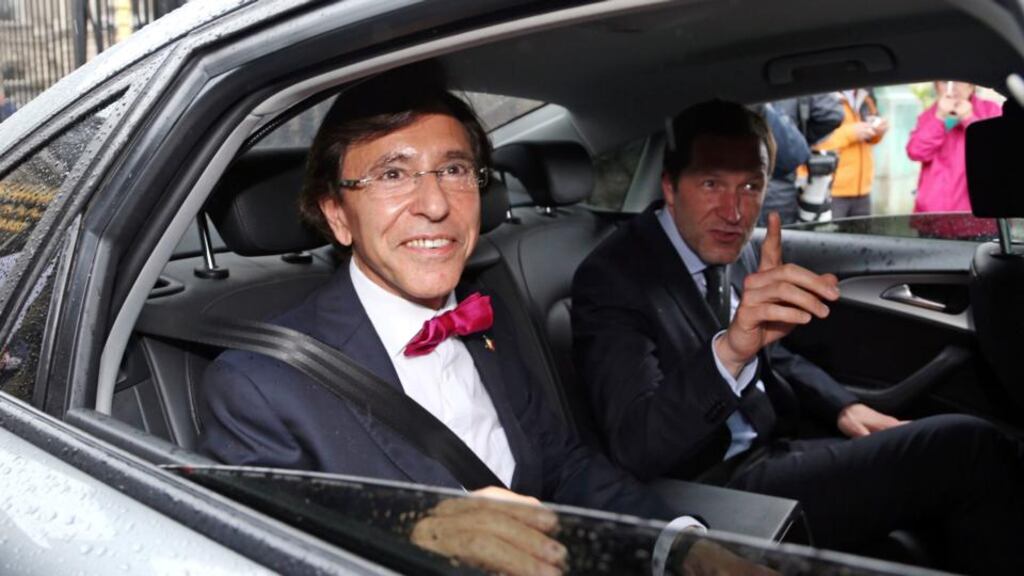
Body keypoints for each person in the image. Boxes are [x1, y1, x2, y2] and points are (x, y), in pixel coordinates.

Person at [197, 67, 769, 576]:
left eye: (454, 169)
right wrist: (415, 536)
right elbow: (267, 552)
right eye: (393, 176)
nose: (436, 204)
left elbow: (566, 467)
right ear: (337, 215)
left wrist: (681, 545)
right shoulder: (261, 387)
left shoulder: (486, 322)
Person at [571, 99, 1024, 574]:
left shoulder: (731, 248)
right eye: (711, 184)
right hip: (711, 489)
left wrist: (843, 406)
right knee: (969, 447)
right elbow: (636, 445)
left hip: (776, 443)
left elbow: (775, 354)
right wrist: (730, 350)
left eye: (750, 185)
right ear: (669, 186)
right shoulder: (616, 277)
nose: (733, 210)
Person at [907, 81, 1002, 213]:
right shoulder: (929, 114)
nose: (952, 87)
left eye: (959, 81)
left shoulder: (991, 110)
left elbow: (998, 155)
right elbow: (916, 152)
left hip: (977, 216)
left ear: (971, 85)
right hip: (933, 215)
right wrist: (939, 117)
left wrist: (969, 119)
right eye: (945, 82)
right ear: (936, 86)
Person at [759, 94, 844, 225]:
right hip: (778, 197)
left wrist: (798, 139)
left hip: (774, 195)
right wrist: (798, 137)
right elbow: (831, 114)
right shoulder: (786, 92)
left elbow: (832, 114)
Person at [813, 88, 887, 218]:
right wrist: (850, 133)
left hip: (863, 190)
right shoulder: (824, 97)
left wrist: (877, 132)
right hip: (832, 191)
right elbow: (815, 142)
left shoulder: (866, 95)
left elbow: (869, 139)